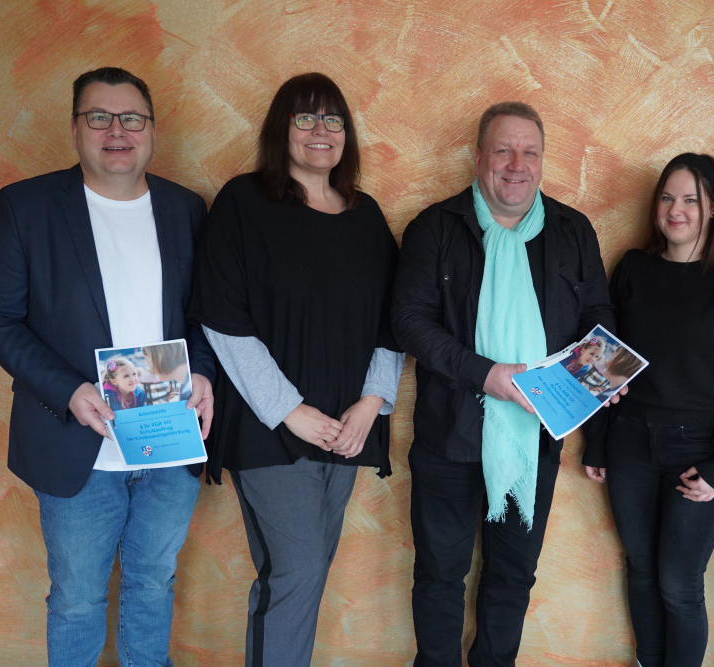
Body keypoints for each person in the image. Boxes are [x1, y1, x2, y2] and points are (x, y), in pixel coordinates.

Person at [0, 67, 215, 667]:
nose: (117, 131)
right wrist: (68, 389)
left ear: (152, 130)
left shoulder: (186, 208)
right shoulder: (27, 206)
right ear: (75, 129)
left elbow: (207, 314)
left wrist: (203, 373)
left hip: (169, 439)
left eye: (132, 118)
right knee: (77, 600)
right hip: (77, 443)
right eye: (99, 117)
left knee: (154, 585)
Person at [392, 101, 618, 666]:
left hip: (535, 436)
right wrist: (485, 374)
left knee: (513, 576)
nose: (517, 164)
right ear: (478, 158)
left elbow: (597, 316)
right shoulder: (434, 228)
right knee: (439, 575)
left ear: (542, 161)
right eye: (503, 150)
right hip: (448, 436)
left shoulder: (573, 231)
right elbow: (409, 321)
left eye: (529, 152)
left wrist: (603, 375)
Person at [189, 72, 403, 667]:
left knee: (303, 575)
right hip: (268, 428)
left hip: (347, 429)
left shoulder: (365, 215)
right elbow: (222, 318)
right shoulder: (243, 202)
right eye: (304, 117)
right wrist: (290, 410)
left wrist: (371, 405)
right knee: (299, 570)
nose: (319, 130)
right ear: (280, 129)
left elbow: (394, 321)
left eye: (332, 119)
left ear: (346, 134)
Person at [582, 153, 714, 667]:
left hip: (700, 452)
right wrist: (597, 441)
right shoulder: (633, 268)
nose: (676, 209)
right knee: (642, 570)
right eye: (667, 197)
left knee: (678, 581)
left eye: (691, 199)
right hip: (629, 444)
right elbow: (605, 358)